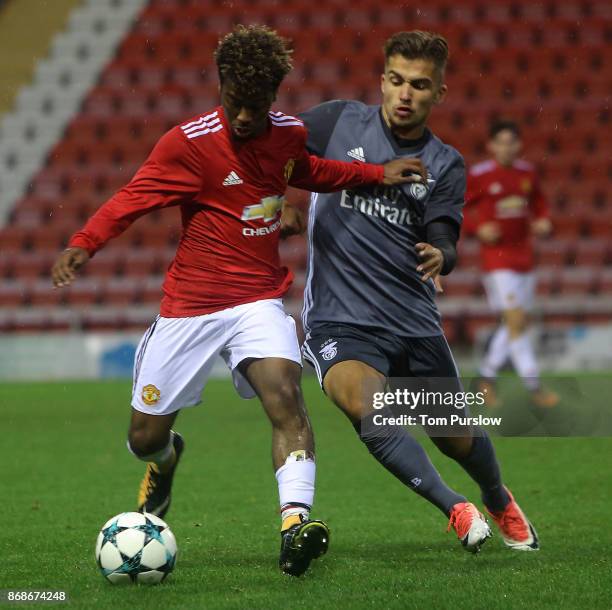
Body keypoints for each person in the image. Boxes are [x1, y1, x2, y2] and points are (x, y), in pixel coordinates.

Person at [51, 25, 421, 576]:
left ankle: (295, 525)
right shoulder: (188, 144)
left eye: (256, 105)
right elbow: (133, 197)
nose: (244, 116)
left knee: (286, 400)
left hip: (257, 301)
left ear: (273, 97)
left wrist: (373, 174)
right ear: (220, 84)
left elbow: (311, 171)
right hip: (190, 307)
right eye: (234, 102)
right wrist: (84, 243)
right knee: (143, 436)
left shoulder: (288, 134)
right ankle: (167, 459)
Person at [299, 31, 539, 552]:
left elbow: (445, 237)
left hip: (412, 321)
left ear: (439, 94)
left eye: (420, 85)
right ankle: (453, 505)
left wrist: (440, 255)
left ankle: (497, 497)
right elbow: (273, 153)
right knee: (368, 404)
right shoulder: (337, 122)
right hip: (340, 321)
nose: (405, 94)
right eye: (396, 81)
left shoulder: (445, 163)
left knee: (458, 437)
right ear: (382, 80)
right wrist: (282, 206)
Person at [465, 120, 559, 409]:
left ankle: (484, 380)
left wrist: (543, 219)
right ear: (491, 146)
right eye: (501, 142)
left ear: (519, 145)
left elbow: (540, 202)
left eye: (512, 142)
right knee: (516, 322)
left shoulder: (527, 173)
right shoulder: (480, 175)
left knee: (515, 323)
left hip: (524, 256)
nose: (507, 147)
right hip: (497, 259)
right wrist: (477, 228)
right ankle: (534, 386)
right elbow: (460, 207)